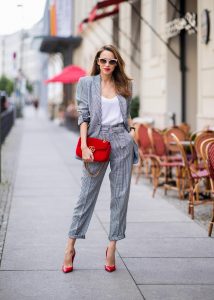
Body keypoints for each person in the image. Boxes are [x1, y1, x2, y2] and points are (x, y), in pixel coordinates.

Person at [62, 45, 138, 273]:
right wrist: (84, 145)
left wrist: (131, 132)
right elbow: (83, 116)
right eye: (103, 60)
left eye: (112, 61)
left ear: (117, 64)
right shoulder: (87, 83)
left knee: (121, 195)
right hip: (96, 141)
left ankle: (112, 246)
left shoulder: (125, 85)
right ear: (97, 62)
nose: (107, 65)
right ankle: (70, 246)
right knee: (86, 194)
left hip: (122, 140)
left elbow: (126, 115)